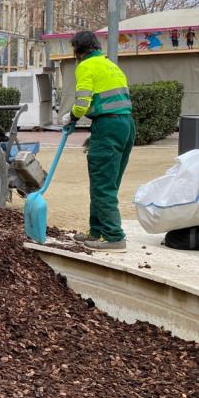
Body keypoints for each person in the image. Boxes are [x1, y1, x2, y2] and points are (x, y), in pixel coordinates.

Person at [62, 30, 135, 250]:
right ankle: (96, 231)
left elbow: (83, 101)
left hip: (108, 127)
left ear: (78, 49)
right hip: (126, 125)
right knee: (107, 182)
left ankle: (114, 236)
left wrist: (72, 116)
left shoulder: (85, 66)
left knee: (102, 184)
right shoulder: (110, 64)